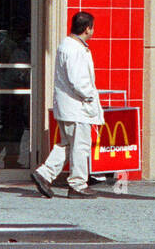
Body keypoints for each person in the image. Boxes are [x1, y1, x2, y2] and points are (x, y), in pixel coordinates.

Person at [30, 10, 105, 199]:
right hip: (77, 107)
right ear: (87, 29)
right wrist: (89, 96)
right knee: (80, 146)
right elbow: (78, 81)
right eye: (92, 27)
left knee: (67, 144)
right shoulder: (75, 49)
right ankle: (78, 184)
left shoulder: (67, 45)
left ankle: (44, 174)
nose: (93, 31)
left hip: (67, 106)